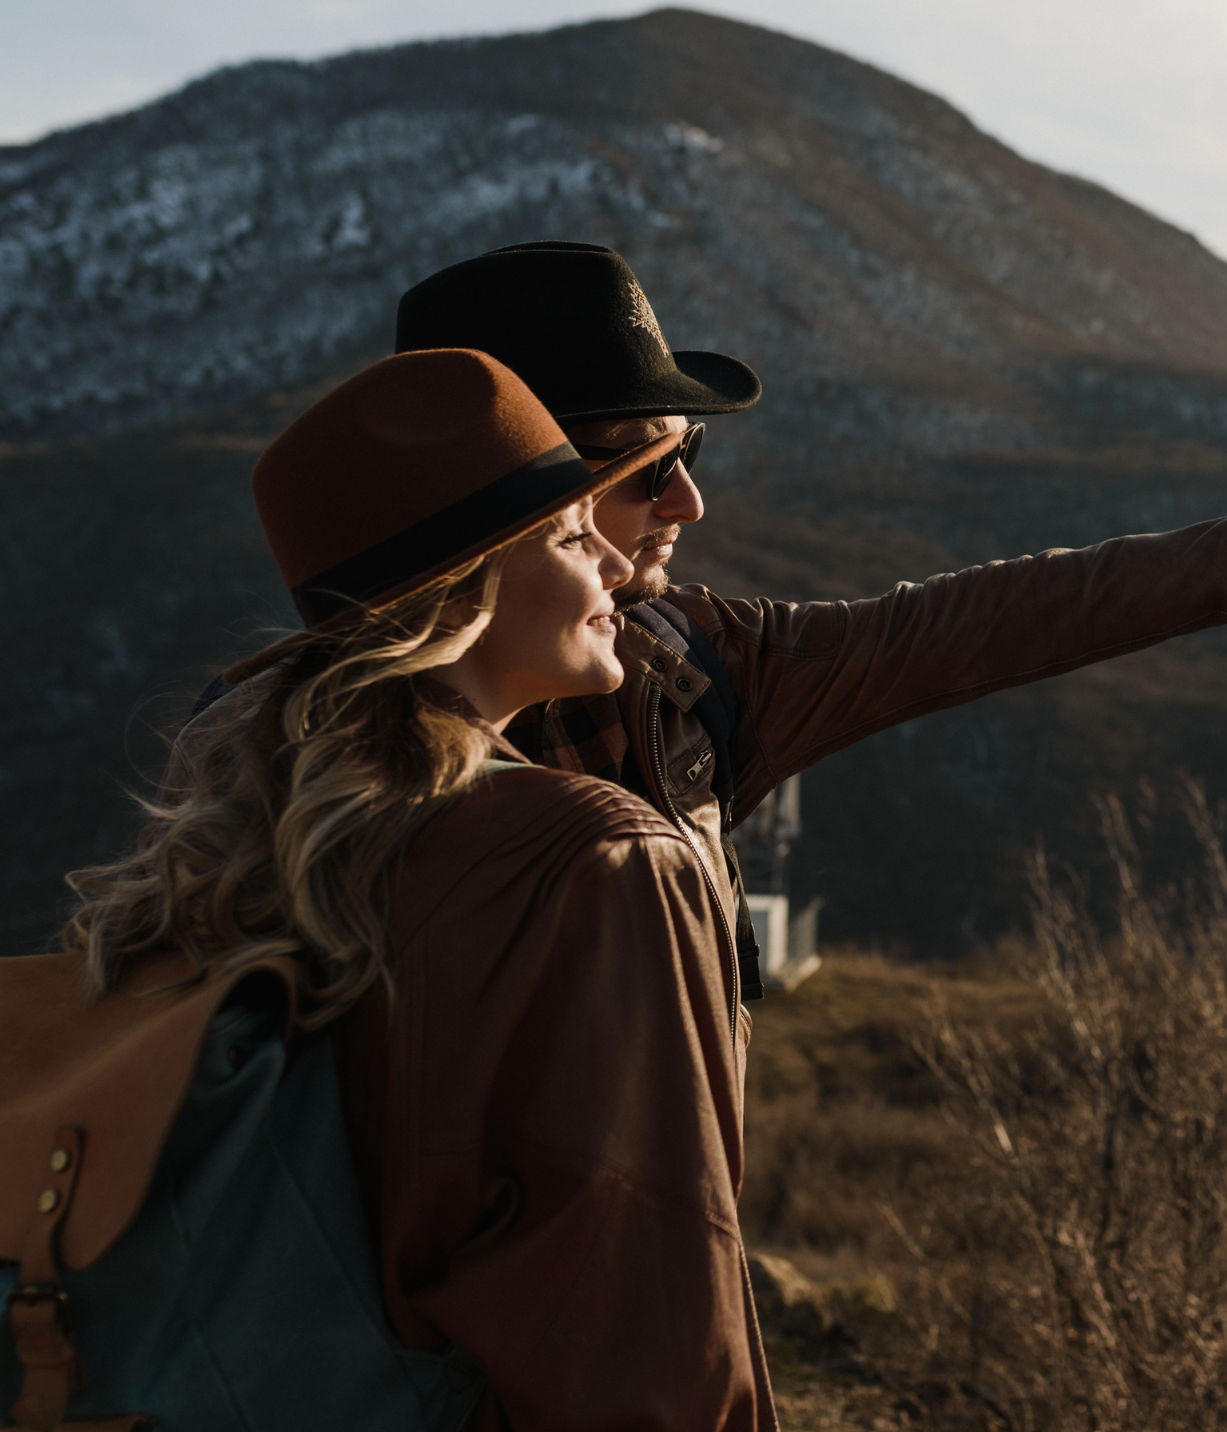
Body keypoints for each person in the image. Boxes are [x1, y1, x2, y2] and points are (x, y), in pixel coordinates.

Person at [393, 242, 1227, 995]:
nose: (688, 502)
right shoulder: (280, 776)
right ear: (515, 490)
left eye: (692, 454)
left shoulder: (696, 668)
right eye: (642, 466)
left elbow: (985, 621)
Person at [59, 348, 780, 1429]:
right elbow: (657, 1334)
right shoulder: (593, 858)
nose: (615, 572)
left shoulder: (254, 844)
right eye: (574, 536)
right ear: (472, 585)